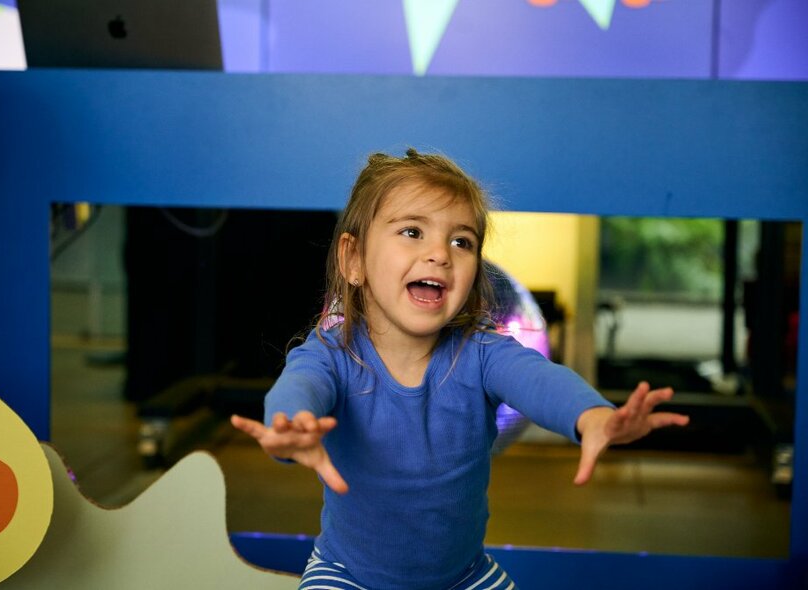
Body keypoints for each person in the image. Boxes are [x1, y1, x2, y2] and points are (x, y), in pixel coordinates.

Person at [231, 149, 689, 590]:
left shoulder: (482, 353)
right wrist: (289, 424)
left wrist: (594, 417)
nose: (440, 254)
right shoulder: (334, 352)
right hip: (347, 573)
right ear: (353, 260)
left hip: (463, 577)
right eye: (412, 231)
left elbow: (540, 380)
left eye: (461, 241)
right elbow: (299, 386)